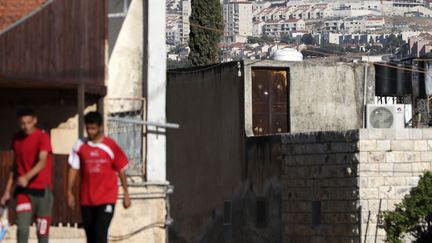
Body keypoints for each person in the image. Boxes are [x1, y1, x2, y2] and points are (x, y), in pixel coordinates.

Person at [67, 111, 131, 243]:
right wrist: (69, 192)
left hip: (106, 197)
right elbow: (74, 168)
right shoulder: (80, 145)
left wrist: (126, 194)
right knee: (90, 236)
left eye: (93, 128)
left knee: (100, 234)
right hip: (86, 198)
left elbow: (121, 170)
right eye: (88, 128)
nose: (90, 131)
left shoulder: (110, 145)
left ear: (100, 127)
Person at [0, 108, 54, 243]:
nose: (26, 126)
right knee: (22, 229)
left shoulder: (43, 137)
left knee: (42, 233)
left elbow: (42, 161)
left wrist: (27, 177)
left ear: (35, 121)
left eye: (29, 122)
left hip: (42, 190)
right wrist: (7, 191)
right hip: (23, 192)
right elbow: (15, 166)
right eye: (22, 123)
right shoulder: (16, 139)